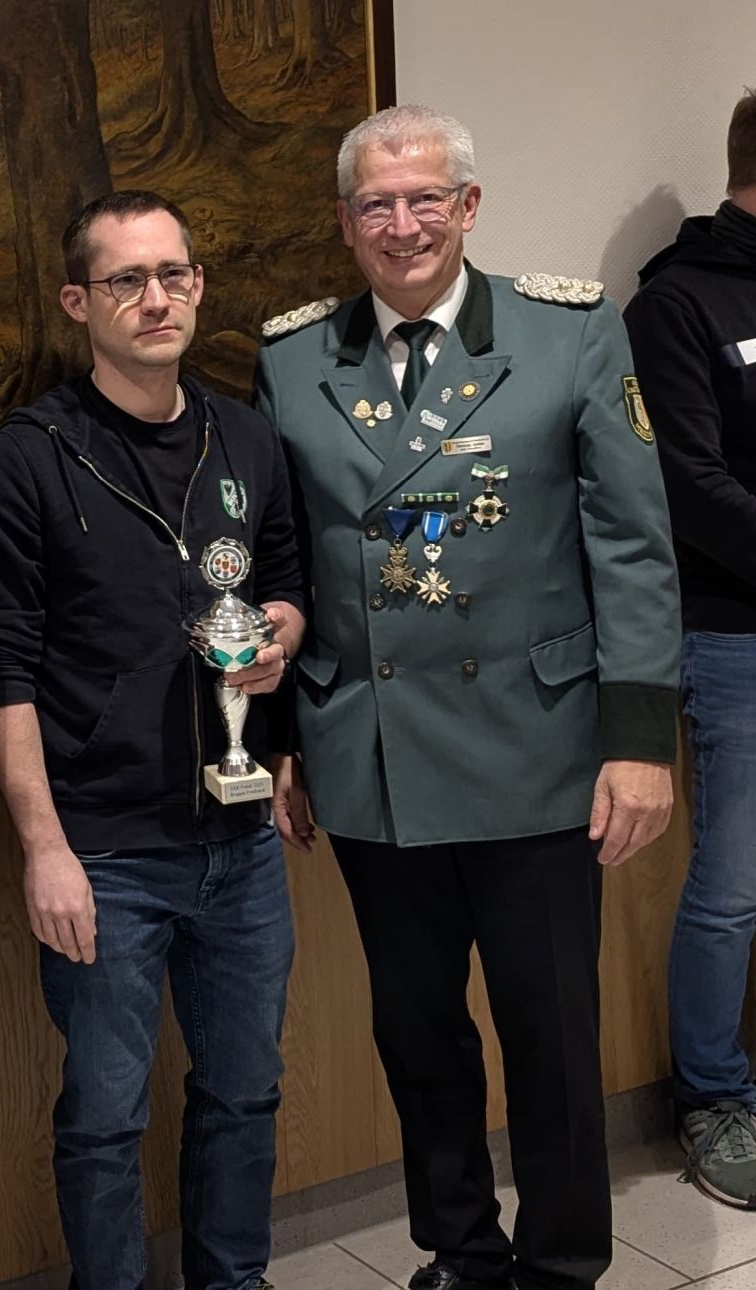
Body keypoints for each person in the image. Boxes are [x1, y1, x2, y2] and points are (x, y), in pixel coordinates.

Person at [254, 104, 680, 1290]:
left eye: (426, 199)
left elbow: (634, 548)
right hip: (373, 754)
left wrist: (640, 739)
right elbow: (286, 563)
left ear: (469, 207)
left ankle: (561, 1261)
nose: (403, 225)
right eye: (377, 205)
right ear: (348, 222)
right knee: (417, 1032)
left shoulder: (568, 335)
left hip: (539, 748)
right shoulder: (293, 359)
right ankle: (461, 1249)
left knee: (552, 1032)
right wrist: (283, 739)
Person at [0, 191, 305, 1290]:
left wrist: (277, 639)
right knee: (106, 1117)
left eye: (173, 275)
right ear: (78, 303)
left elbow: (286, 585)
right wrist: (44, 849)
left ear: (197, 285)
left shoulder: (245, 435)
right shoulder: (29, 460)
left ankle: (232, 1280)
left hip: (240, 842)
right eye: (126, 281)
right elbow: (3, 672)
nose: (156, 299)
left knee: (246, 1091)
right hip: (104, 851)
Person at [625, 87, 756, 1209]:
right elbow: (691, 488)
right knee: (733, 886)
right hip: (735, 634)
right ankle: (713, 1096)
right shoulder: (677, 303)